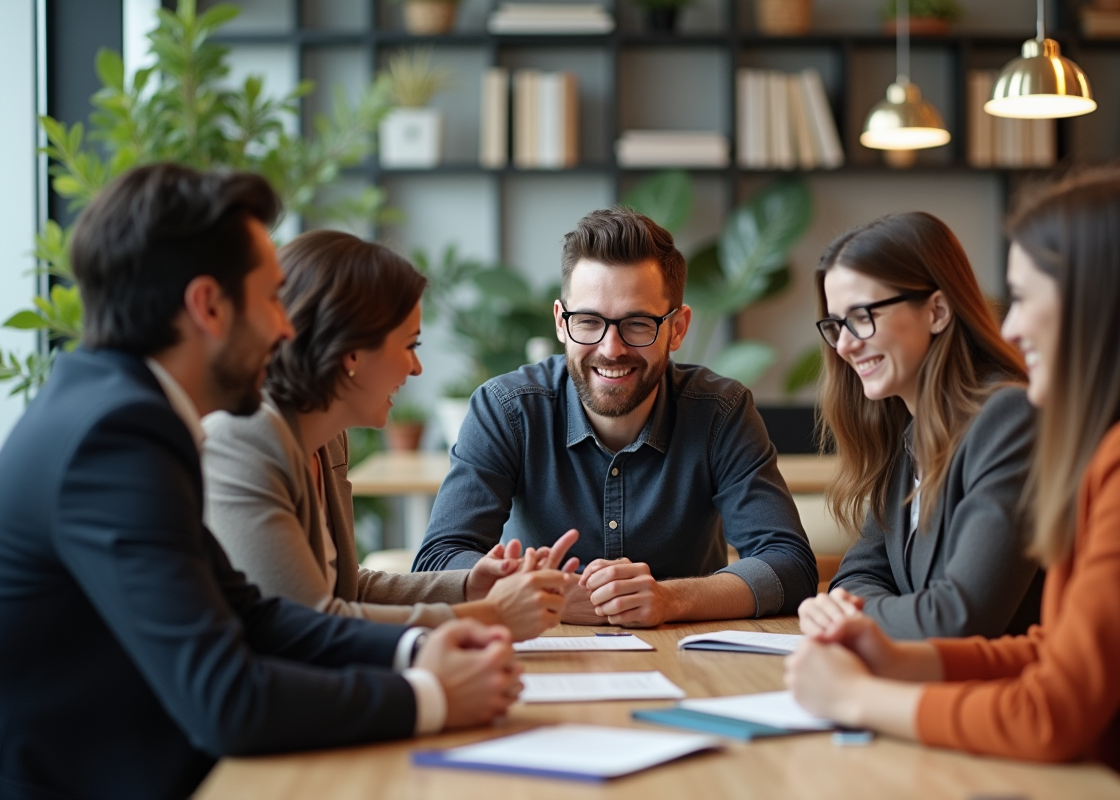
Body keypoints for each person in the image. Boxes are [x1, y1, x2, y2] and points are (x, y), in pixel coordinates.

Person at [0, 164, 523, 800]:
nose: (285, 329)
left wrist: (416, 648)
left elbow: (255, 614)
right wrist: (430, 696)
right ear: (208, 306)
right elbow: (226, 699)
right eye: (273, 298)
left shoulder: (113, 407)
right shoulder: (117, 437)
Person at [785, 169, 1120, 800]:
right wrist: (902, 658)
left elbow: (1048, 711)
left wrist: (859, 697)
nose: (1008, 328)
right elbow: (1052, 647)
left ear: (1099, 298)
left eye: (1026, 298)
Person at [413, 206, 817, 627]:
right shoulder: (506, 409)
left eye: (638, 324)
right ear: (560, 322)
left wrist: (670, 598)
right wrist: (542, 595)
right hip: (543, 658)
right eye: (588, 321)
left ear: (677, 328)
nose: (610, 349)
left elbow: (790, 566)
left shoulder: (721, 412)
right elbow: (438, 563)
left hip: (687, 661)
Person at [202, 230, 575, 641]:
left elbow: (346, 589)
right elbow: (310, 626)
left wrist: (470, 586)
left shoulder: (325, 439)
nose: (416, 369)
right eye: (409, 345)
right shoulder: (245, 439)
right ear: (352, 352)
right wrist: (490, 616)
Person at [798, 212, 1043, 640]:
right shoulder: (906, 429)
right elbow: (856, 574)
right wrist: (858, 609)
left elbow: (960, 617)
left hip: (1000, 695)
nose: (844, 345)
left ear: (938, 310)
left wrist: (850, 618)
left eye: (861, 316)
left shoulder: (1009, 418)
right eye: (836, 325)